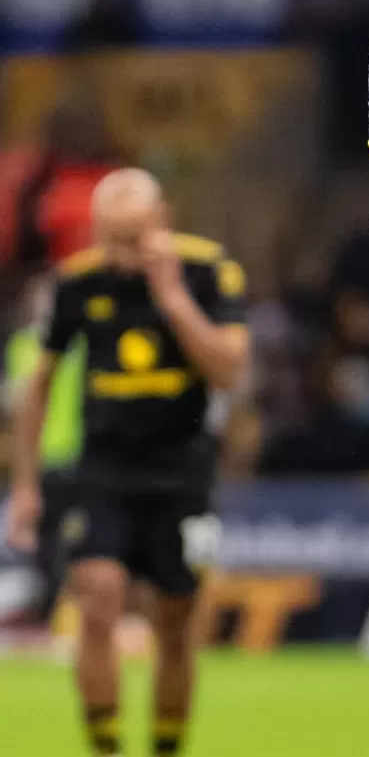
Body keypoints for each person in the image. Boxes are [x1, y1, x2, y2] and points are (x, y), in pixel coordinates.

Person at [5, 169, 249, 756]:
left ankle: (166, 747)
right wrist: (26, 485)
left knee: (175, 623)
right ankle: (106, 747)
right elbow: (38, 385)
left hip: (182, 473)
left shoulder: (209, 271)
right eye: (111, 237)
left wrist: (171, 298)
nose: (122, 252)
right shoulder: (76, 283)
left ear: (161, 219)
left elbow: (229, 371)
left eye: (134, 236)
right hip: (104, 471)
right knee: (98, 599)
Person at [2, 274, 86, 631]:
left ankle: (72, 617)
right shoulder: (22, 345)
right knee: (45, 542)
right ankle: (49, 618)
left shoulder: (82, 344)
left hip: (80, 456)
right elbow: (16, 403)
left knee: (81, 542)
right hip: (40, 459)